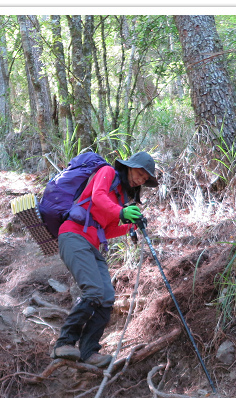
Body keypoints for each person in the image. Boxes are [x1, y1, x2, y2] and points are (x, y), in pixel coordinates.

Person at [51, 152, 158, 368]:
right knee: (92, 290)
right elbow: (98, 197)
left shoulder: (120, 197)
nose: (141, 180)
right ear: (128, 167)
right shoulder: (107, 172)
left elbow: (107, 230)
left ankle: (88, 351)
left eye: (145, 179)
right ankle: (64, 343)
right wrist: (122, 212)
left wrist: (130, 224)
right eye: (139, 173)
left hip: (91, 243)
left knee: (107, 297)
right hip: (73, 235)